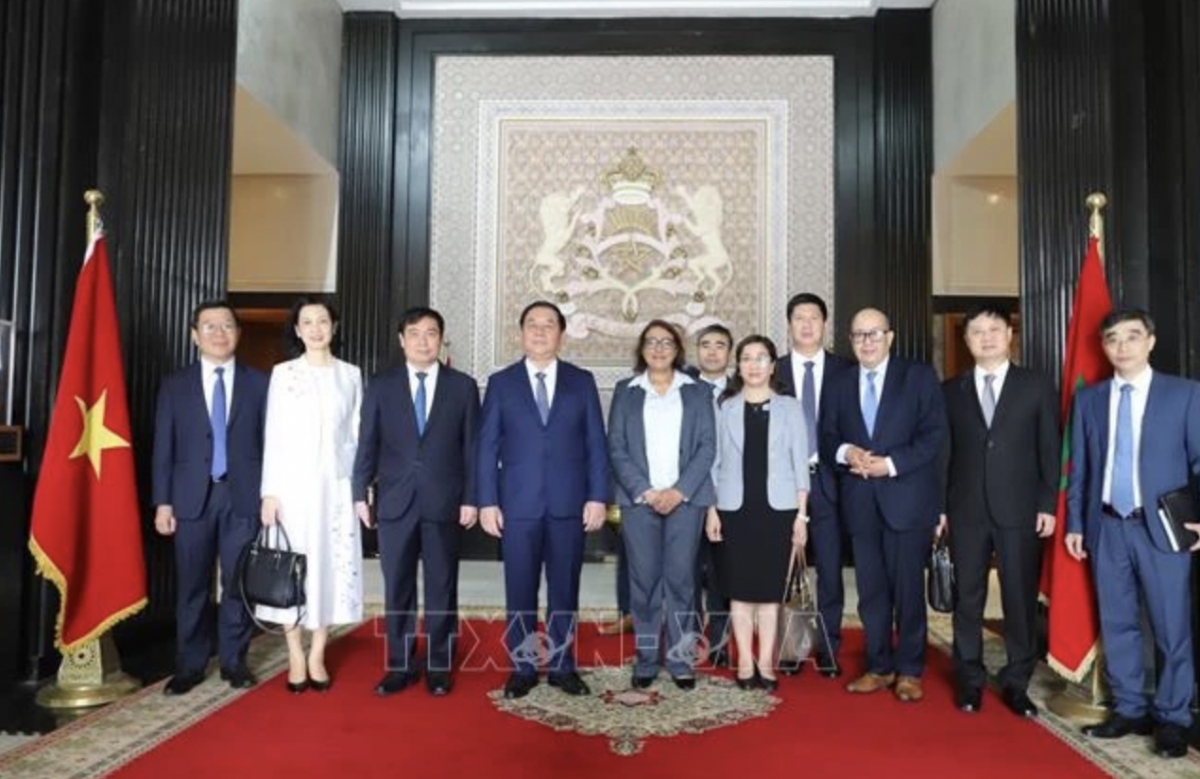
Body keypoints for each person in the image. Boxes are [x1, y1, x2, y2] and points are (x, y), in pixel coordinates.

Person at [1066, 308, 1200, 759]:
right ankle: (1129, 708)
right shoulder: (1090, 400)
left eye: (1132, 337)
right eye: (1112, 339)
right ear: (1103, 347)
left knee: (1171, 627)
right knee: (1118, 622)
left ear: (1151, 341)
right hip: (1107, 526)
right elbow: (1081, 468)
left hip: (1161, 527)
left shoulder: (1184, 395)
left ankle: (1174, 718)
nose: (1122, 347)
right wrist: (1076, 524)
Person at [477, 301, 609, 699]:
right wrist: (486, 501)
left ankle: (563, 667)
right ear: (521, 334)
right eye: (532, 325)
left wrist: (598, 496)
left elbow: (596, 445)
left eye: (548, 325)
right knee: (519, 589)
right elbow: (486, 448)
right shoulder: (501, 383)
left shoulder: (581, 381)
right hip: (516, 506)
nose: (539, 331)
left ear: (561, 335)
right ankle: (522, 667)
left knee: (564, 589)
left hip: (569, 504)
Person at [820, 307, 946, 703]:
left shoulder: (918, 376)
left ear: (890, 337)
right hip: (859, 502)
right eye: (858, 335)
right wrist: (847, 453)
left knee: (908, 590)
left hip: (906, 500)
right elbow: (827, 436)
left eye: (874, 334)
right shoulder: (840, 382)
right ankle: (879, 666)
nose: (866, 342)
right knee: (871, 592)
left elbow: (934, 435)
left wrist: (890, 465)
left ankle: (910, 670)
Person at [352, 306, 480, 697]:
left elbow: (472, 448)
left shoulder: (462, 386)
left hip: (445, 500)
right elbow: (367, 442)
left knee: (442, 585)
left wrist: (472, 498)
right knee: (398, 587)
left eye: (431, 333)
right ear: (401, 339)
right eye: (415, 333)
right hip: (394, 501)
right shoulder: (381, 385)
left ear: (441, 339)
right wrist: (359, 492)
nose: (423, 341)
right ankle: (400, 665)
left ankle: (439, 666)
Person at [938, 304, 1058, 717]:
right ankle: (968, 681)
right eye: (976, 331)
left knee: (1018, 600)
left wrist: (1047, 503)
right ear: (967, 339)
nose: (986, 337)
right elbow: (944, 455)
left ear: (1010, 335)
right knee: (967, 598)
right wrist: (940, 508)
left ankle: (1016, 681)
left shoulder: (1036, 385)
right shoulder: (950, 391)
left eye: (994, 329)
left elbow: (1050, 450)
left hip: (1021, 510)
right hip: (965, 510)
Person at [151, 300, 269, 695]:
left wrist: (270, 496)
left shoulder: (260, 383)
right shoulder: (175, 385)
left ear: (238, 332)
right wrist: (163, 502)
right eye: (210, 326)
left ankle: (234, 662)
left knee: (237, 584)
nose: (219, 334)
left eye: (227, 326)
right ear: (194, 335)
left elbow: (272, 445)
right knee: (192, 587)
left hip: (243, 497)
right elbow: (163, 448)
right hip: (189, 500)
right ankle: (189, 665)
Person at [257, 297, 364, 693]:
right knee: (292, 569)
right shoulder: (283, 374)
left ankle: (317, 651)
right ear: (297, 331)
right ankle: (295, 653)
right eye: (307, 322)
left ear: (333, 327)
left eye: (323, 321)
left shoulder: (350, 376)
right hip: (292, 489)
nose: (316, 328)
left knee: (328, 568)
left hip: (335, 489)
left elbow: (355, 438)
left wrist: (358, 489)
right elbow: (274, 438)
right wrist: (270, 492)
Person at [608, 320, 716, 689]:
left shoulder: (697, 392)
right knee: (644, 582)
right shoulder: (627, 391)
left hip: (685, 502)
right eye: (651, 342)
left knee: (682, 581)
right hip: (641, 502)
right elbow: (617, 448)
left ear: (677, 349)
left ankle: (681, 661)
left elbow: (707, 447)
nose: (658, 348)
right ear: (641, 349)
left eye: (666, 342)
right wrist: (647, 491)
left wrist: (679, 491)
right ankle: (647, 658)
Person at [706, 335, 809, 692]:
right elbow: (714, 465)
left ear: (772, 365)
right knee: (739, 592)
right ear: (739, 366)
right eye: (746, 358)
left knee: (768, 593)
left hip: (778, 511)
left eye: (761, 358)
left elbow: (801, 466)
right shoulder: (726, 408)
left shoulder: (791, 408)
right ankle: (744, 661)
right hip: (734, 510)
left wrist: (801, 516)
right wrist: (712, 510)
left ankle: (766, 661)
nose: (753, 365)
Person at [775, 292, 852, 678]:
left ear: (825, 324)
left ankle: (828, 646)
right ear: (789, 324)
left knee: (830, 567)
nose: (806, 324)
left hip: (830, 480)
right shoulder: (773, 371)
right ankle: (790, 646)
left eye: (814, 318)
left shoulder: (846, 369)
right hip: (784, 483)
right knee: (787, 567)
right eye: (799, 318)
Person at [691, 323, 734, 666]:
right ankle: (689, 642)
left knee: (722, 575)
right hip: (690, 495)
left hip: (731, 497)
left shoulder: (743, 389)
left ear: (729, 353)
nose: (712, 351)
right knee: (686, 573)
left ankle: (720, 643)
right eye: (706, 344)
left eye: (720, 345)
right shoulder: (683, 390)